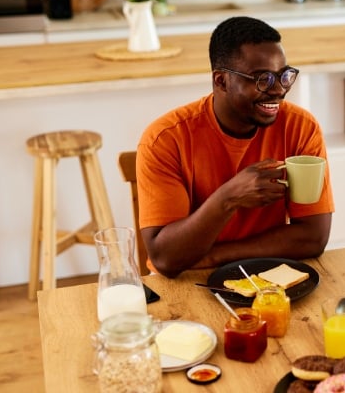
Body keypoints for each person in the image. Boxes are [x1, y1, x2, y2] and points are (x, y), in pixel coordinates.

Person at [137, 16, 334, 278]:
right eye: (262, 78)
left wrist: (216, 256)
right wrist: (227, 198)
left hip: (265, 274)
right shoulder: (165, 138)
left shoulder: (300, 127)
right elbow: (165, 258)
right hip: (185, 280)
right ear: (221, 81)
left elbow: (313, 238)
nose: (278, 90)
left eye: (283, 76)